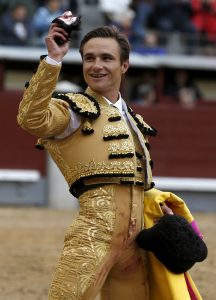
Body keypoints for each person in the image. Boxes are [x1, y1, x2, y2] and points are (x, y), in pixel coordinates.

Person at [17, 13, 204, 300]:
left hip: (136, 243)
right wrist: (53, 60)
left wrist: (156, 207)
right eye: (89, 58)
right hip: (94, 234)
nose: (96, 65)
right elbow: (31, 119)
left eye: (106, 58)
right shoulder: (74, 111)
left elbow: (138, 183)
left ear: (124, 65)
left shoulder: (135, 121)